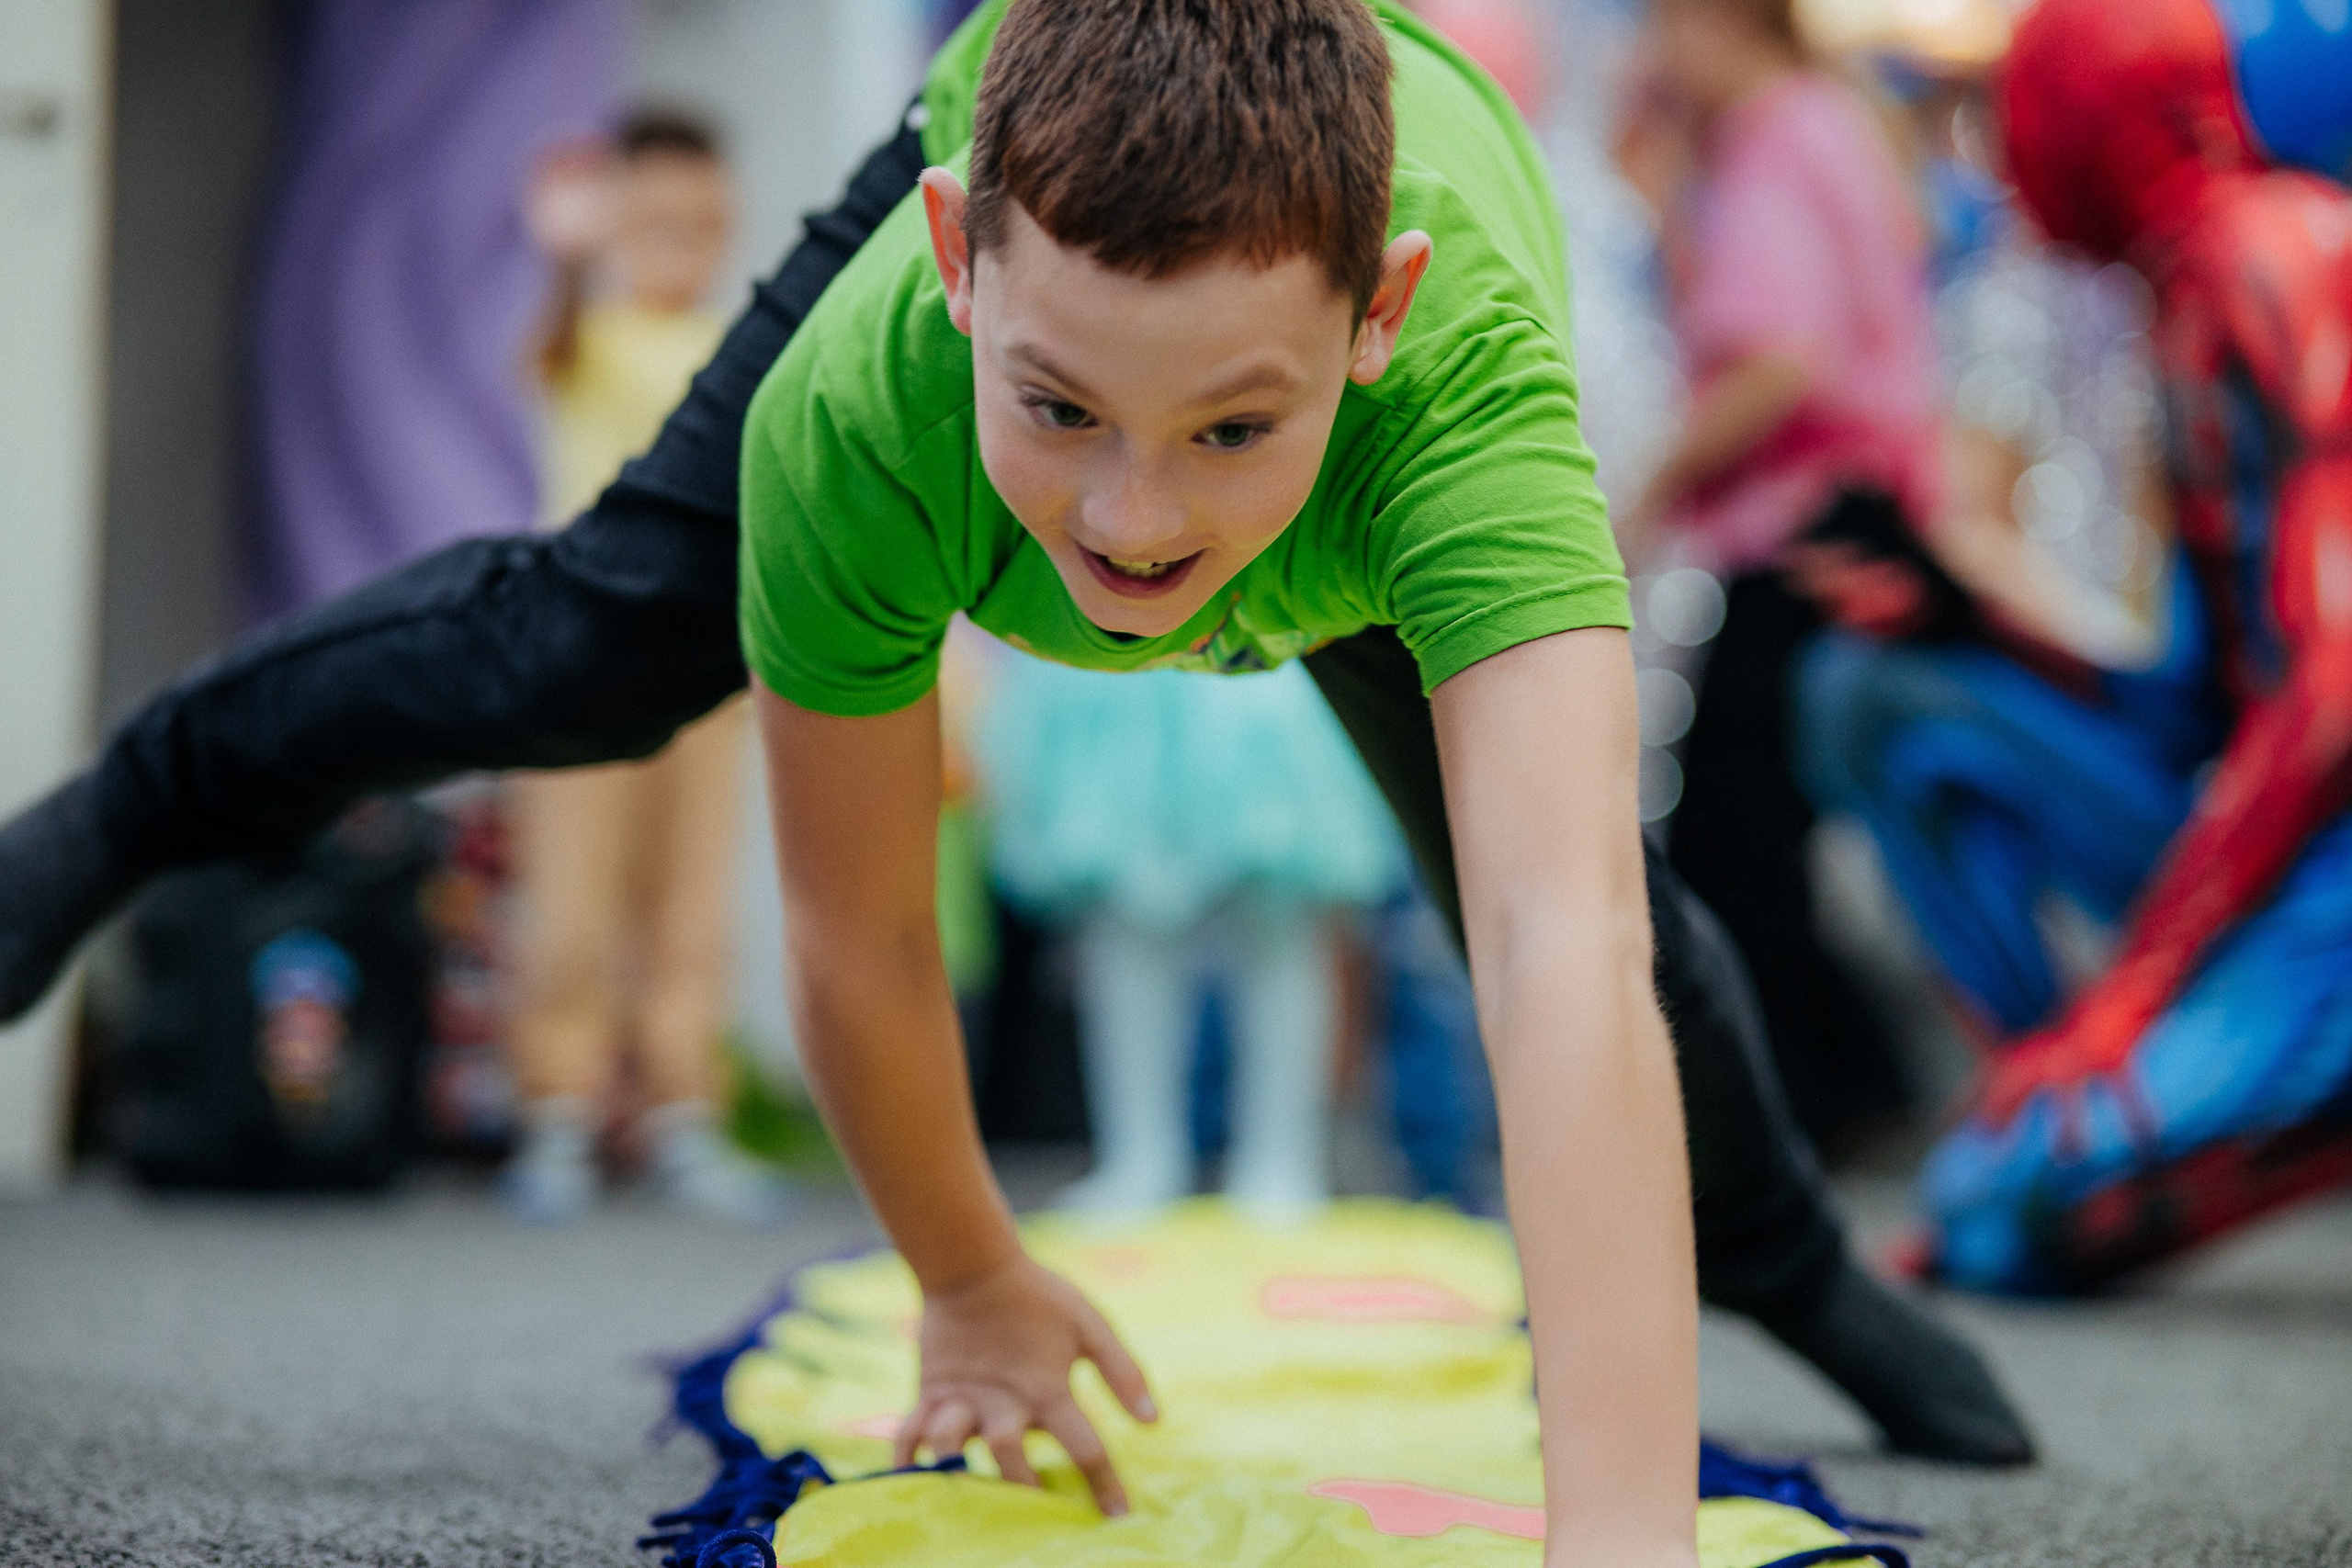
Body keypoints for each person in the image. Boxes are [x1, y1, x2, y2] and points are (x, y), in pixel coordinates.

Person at [0, 0, 2031, 1513]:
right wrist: (965, 1273)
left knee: (1586, 910)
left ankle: (1789, 1268)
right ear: (959, 262)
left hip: (1333, 377)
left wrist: (1619, 1538)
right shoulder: (866, 401)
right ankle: (124, 805)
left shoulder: (1462, 400)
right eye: (1062, 413)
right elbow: (866, 937)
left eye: (1225, 427)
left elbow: (1561, 956)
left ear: (1375, 323)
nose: (1135, 522)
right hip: (1049, 197)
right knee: (588, 643)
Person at [1799, 0, 2352, 1294]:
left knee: (2003, 1219)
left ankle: (2220, 1084)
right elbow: (2217, 695)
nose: (2002, 150)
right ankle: (2078, 1091)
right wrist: (1976, 623)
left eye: (2021, 107)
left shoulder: (2280, 257)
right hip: (2270, 820)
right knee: (1875, 697)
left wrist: (2133, 996)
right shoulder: (2190, 293)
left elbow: (2331, 689)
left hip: (2332, 869)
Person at [1611, 0, 1941, 1156]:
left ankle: (1793, 1113)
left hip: (1806, 526)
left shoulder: (1775, 136)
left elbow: (1780, 361)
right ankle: (1850, 1084)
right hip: (1857, 514)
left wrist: (1654, 485)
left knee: (1730, 831)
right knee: (1761, 822)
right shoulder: (1827, 127)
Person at [500, 108, 787, 1226]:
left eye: (703, 222)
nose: (682, 239)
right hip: (576, 643)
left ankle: (681, 1115)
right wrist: (566, 261)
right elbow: (549, 353)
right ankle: (559, 1112)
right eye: (656, 218)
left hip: (703, 648)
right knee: (567, 886)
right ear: (614, 223)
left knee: (691, 897)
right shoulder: (589, 334)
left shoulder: (735, 345)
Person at [976, 653, 1399, 1219]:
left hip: (1259, 651)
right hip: (1120, 661)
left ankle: (1282, 1158)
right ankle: (1138, 1158)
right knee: (1128, 932)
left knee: (1278, 927)